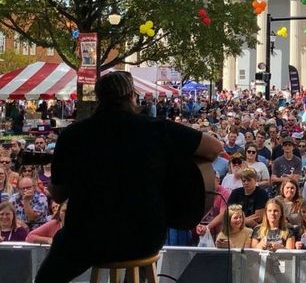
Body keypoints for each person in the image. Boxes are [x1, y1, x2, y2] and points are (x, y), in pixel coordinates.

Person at [36, 71, 221, 283]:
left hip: (88, 239)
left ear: (99, 98)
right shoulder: (157, 128)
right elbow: (214, 148)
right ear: (132, 95)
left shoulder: (73, 135)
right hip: (145, 237)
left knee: (46, 278)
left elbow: (58, 195)